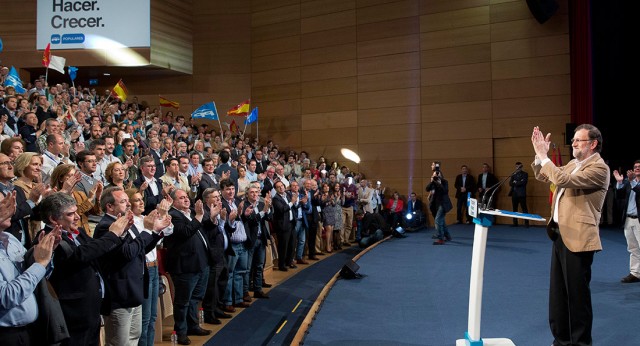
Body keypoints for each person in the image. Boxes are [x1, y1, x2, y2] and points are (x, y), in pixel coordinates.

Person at [531, 124, 609, 346]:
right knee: (558, 294)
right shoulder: (575, 163)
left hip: (580, 238)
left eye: (578, 140)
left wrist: (544, 157)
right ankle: (562, 340)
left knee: (577, 297)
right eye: (573, 139)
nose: (573, 143)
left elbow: (563, 180)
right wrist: (539, 157)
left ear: (593, 144)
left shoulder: (599, 168)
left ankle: (581, 343)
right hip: (560, 234)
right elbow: (547, 177)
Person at [0, 190, 58, 345]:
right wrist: (39, 264)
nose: (11, 208)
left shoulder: (10, 239)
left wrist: (42, 254)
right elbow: (7, 297)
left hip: (29, 331)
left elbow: (36, 276)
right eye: (3, 205)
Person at [613, 160, 640, 283]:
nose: (637, 168)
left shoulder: (633, 183)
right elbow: (620, 196)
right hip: (629, 220)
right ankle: (635, 273)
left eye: (639, 167)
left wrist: (632, 181)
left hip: (639, 221)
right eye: (635, 167)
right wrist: (619, 182)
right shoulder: (629, 183)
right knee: (633, 248)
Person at [426, 162, 452, 245]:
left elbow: (445, 191)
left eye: (437, 175)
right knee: (442, 220)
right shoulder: (433, 182)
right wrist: (432, 181)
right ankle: (447, 236)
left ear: (440, 175)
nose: (436, 176)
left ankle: (441, 238)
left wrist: (439, 183)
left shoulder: (445, 182)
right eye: (434, 175)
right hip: (437, 205)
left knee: (437, 220)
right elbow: (427, 189)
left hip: (444, 204)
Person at [509, 161, 529, 227]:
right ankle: (515, 223)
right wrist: (518, 182)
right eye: (517, 166)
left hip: (521, 194)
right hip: (514, 194)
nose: (518, 168)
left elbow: (523, 183)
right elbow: (510, 183)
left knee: (524, 209)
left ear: (521, 167)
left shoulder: (525, 174)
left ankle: (526, 223)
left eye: (519, 166)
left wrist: (515, 182)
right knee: (514, 209)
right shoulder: (513, 174)